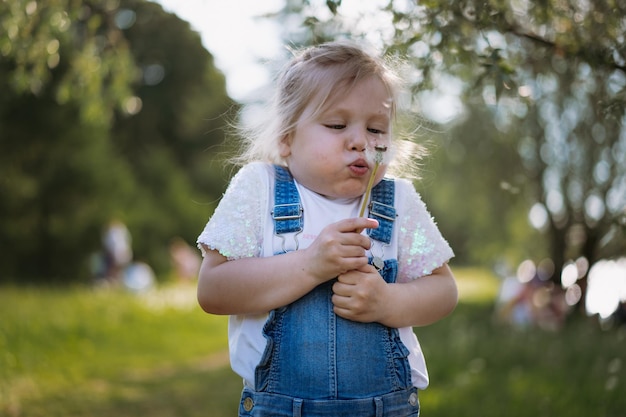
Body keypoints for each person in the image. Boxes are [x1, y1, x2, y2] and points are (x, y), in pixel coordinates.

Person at [197, 41, 457, 417]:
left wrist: (388, 302)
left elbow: (443, 289)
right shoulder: (260, 188)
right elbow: (213, 290)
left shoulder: (397, 201)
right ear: (286, 138)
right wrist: (309, 265)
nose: (360, 141)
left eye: (376, 129)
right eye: (337, 124)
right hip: (280, 408)